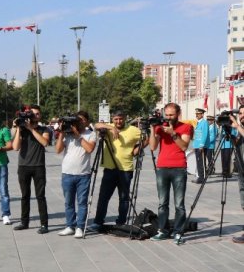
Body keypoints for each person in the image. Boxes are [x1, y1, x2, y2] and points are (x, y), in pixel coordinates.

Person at [88, 110, 143, 231]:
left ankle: (121, 222)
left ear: (125, 118)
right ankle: (98, 222)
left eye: (121, 119)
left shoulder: (133, 130)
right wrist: (111, 128)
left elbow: (146, 138)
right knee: (103, 197)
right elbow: (96, 125)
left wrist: (136, 150)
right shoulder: (108, 127)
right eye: (116, 119)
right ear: (112, 119)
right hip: (109, 169)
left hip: (126, 169)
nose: (118, 121)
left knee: (124, 198)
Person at [148, 102, 193, 243]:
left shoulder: (186, 127)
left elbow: (184, 146)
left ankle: (178, 231)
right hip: (162, 167)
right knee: (162, 203)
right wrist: (152, 128)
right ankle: (163, 230)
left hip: (179, 168)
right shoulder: (161, 128)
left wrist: (173, 133)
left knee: (179, 203)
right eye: (166, 115)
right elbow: (153, 146)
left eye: (171, 115)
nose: (168, 118)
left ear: (178, 114)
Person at [54, 111, 97, 238]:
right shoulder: (67, 134)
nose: (80, 122)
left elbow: (89, 149)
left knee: (82, 202)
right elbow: (57, 150)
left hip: (83, 174)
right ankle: (70, 226)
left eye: (83, 120)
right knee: (68, 202)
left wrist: (78, 135)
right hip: (67, 173)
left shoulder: (91, 134)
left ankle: (80, 227)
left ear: (87, 121)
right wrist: (61, 133)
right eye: (78, 120)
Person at [11, 104, 50, 233]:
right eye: (33, 114)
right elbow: (16, 147)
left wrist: (32, 129)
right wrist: (18, 129)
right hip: (23, 166)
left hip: (38, 166)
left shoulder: (44, 129)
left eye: (38, 114)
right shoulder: (22, 129)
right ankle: (24, 222)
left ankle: (44, 224)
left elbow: (45, 142)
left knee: (40, 196)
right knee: (25, 196)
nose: (35, 116)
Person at [225, 106, 244, 243]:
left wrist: (237, 126)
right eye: (240, 113)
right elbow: (237, 144)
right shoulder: (240, 129)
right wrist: (230, 134)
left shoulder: (240, 128)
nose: (241, 116)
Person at [191, 108, 209, 183]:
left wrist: (201, 145)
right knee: (199, 162)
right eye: (196, 114)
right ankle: (200, 177)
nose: (197, 115)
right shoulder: (198, 123)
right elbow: (197, 135)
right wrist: (194, 145)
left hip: (201, 146)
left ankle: (202, 177)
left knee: (201, 162)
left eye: (198, 114)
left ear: (202, 114)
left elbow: (204, 134)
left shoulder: (204, 122)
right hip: (197, 145)